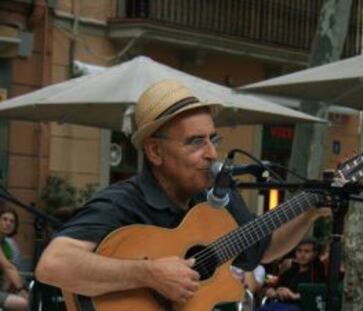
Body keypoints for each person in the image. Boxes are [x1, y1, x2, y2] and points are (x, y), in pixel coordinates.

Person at [35, 80, 329, 307]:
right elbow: (54, 264)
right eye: (195, 142)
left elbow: (263, 249)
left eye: (212, 139)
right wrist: (149, 274)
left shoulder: (216, 197)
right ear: (155, 150)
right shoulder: (124, 201)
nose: (212, 153)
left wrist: (311, 210)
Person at [259, 239, 325, 311]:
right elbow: (275, 286)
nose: (302, 255)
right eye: (299, 251)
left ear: (314, 253)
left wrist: (293, 295)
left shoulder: (318, 271)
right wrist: (273, 291)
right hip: (279, 305)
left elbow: (319, 293)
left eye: (307, 251)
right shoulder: (291, 271)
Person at [0, 207, 29, 311]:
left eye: (12, 221)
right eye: (4, 219)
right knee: (22, 303)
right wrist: (21, 289)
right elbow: (8, 267)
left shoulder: (8, 245)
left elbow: (11, 271)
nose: (8, 223)